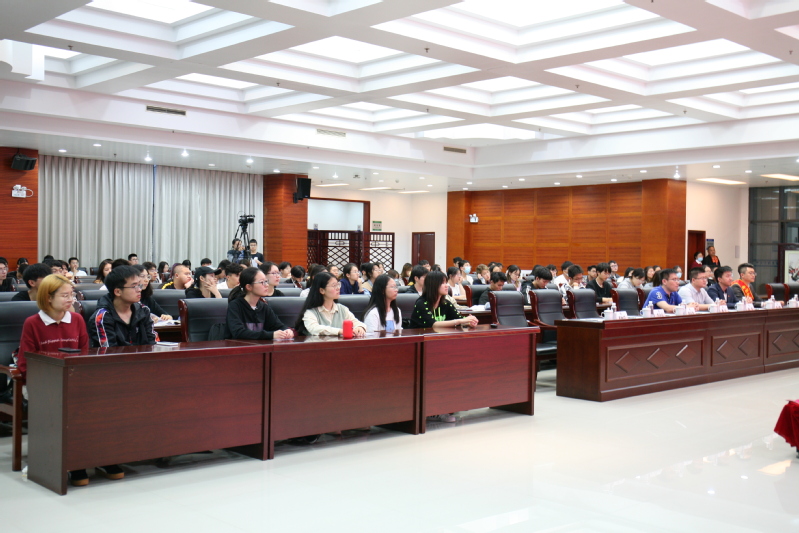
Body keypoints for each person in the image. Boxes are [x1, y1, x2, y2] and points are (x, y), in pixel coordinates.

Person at [17, 274, 96, 486]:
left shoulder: (77, 319)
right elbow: (25, 361)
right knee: (56, 406)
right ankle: (51, 459)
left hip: (73, 381)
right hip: (41, 383)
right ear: (48, 297)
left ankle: (81, 459)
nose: (71, 299)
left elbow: (84, 354)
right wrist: (39, 385)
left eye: (72, 295)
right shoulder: (33, 323)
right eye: (65, 295)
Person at [89, 265, 156, 348]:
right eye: (134, 286)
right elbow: (108, 351)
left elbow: (152, 344)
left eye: (139, 285)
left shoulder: (143, 310)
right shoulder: (102, 317)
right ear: (118, 291)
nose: (139, 289)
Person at [225, 267, 293, 340]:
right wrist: (271, 335)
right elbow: (238, 332)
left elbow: (278, 325)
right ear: (249, 287)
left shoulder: (264, 307)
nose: (267, 285)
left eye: (266, 281)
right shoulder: (235, 306)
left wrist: (286, 330)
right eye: (262, 282)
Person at [296, 272, 366, 337]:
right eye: (334, 285)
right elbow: (314, 328)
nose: (338, 288)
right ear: (322, 290)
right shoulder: (310, 312)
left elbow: (356, 322)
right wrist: (340, 331)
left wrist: (359, 327)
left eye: (338, 284)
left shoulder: (342, 308)